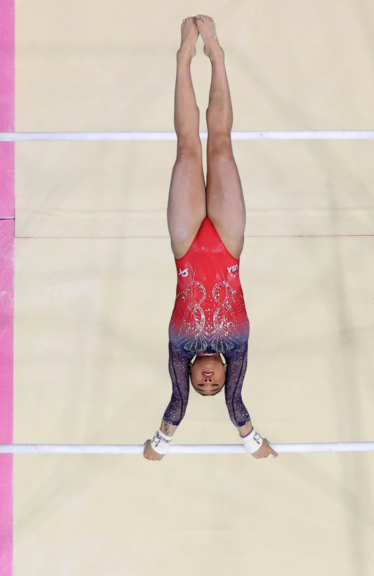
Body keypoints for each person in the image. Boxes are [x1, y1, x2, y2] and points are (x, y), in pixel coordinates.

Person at [143, 16, 277, 461]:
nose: (207, 382)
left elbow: (176, 403)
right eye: (213, 383)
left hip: (185, 248)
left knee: (187, 146)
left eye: (203, 384)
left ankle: (183, 60)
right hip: (227, 243)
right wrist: (252, 442)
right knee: (220, 144)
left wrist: (158, 444)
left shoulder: (178, 348)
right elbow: (236, 405)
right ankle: (216, 57)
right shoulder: (236, 347)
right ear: (222, 372)